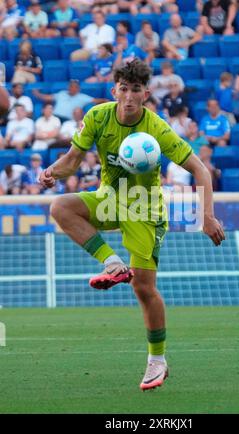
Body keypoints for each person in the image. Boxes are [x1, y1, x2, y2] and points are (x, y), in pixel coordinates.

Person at [39, 59, 225, 391]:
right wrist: (52, 172)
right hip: (110, 197)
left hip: (145, 208)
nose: (128, 97)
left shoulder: (157, 128)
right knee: (61, 207)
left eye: (135, 90)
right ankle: (112, 264)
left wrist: (207, 215)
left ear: (145, 94)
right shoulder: (97, 116)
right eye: (123, 89)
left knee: (143, 288)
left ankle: (157, 360)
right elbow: (71, 161)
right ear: (114, 90)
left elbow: (201, 170)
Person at [32, 79, 107, 122]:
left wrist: (108, 101)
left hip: (68, 120)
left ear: (78, 89)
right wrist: (37, 94)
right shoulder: (62, 93)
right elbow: (47, 97)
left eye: (75, 87)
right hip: (54, 118)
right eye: (71, 86)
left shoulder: (82, 97)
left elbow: (97, 101)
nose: (72, 88)